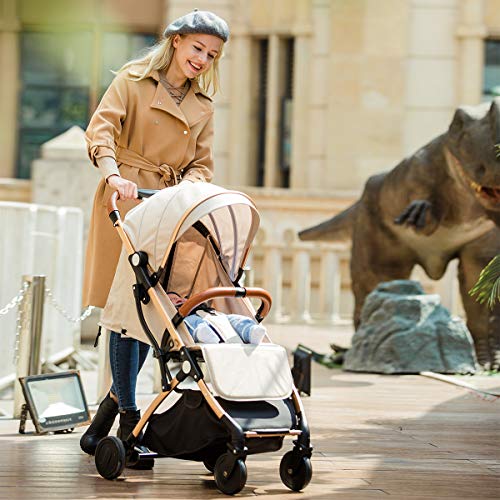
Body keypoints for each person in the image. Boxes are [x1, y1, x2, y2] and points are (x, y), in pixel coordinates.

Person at [80, 10, 230, 459]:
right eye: (197, 48)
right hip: (126, 198)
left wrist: (193, 185)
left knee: (155, 314)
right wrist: (113, 177)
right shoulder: (131, 81)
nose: (202, 59)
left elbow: (201, 162)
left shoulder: (203, 106)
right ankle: (128, 418)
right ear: (177, 42)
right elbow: (100, 132)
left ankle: (109, 417)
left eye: (212, 54)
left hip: (169, 207)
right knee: (128, 311)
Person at [167, 292, 268, 344]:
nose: (177, 299)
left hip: (216, 319)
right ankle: (202, 333)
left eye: (179, 297)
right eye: (172, 300)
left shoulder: (201, 308)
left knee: (234, 319)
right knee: (191, 323)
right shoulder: (179, 317)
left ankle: (250, 331)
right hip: (191, 321)